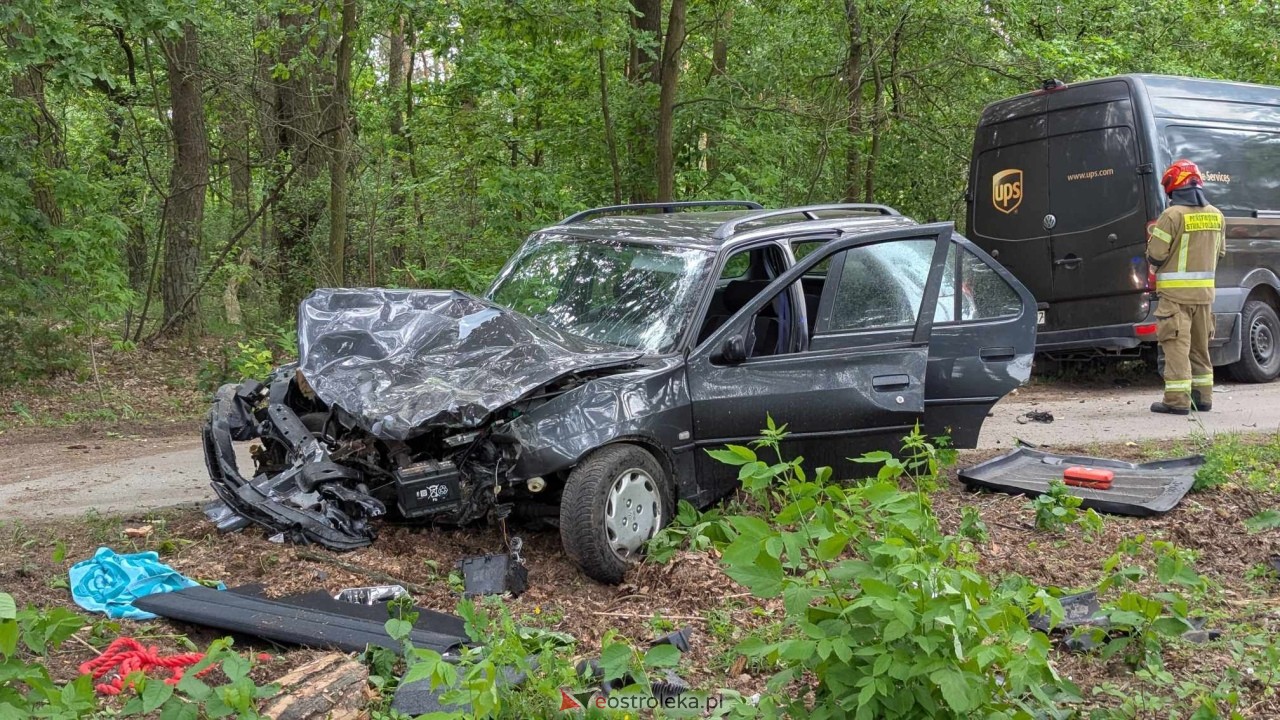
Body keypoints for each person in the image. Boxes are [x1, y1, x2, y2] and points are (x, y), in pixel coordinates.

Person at [1146, 159, 1226, 415]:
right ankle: (1203, 398)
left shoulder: (1171, 216)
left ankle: (1177, 401)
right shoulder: (1216, 215)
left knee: (1176, 348)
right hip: (1204, 297)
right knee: (1200, 349)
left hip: (1175, 297)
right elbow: (1220, 253)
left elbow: (1156, 254)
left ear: (1173, 186)